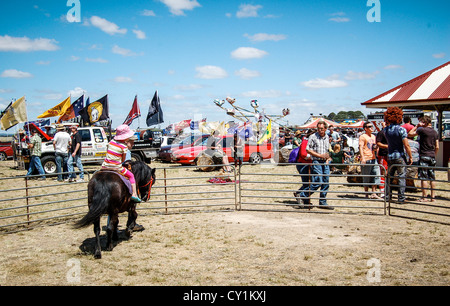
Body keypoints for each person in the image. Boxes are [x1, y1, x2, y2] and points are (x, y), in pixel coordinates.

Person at [102, 125, 142, 203]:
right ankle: (134, 194)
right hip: (117, 167)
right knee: (131, 176)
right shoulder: (124, 147)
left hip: (105, 166)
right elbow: (122, 160)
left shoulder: (111, 142)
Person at [383, 107, 413, 203]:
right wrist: (410, 156)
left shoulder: (386, 130)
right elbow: (406, 144)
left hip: (390, 155)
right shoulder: (401, 130)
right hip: (400, 155)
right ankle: (401, 198)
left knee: (389, 177)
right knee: (401, 177)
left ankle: (387, 196)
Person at [408, 115, 439, 202]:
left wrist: (417, 126)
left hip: (423, 155)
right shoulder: (435, 132)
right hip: (432, 155)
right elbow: (437, 146)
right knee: (432, 177)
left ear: (424, 122)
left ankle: (424, 196)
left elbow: (410, 134)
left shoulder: (422, 130)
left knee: (423, 176)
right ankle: (433, 197)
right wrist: (434, 155)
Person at [305, 121, 333, 209]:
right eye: (318, 128)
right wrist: (320, 155)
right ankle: (303, 194)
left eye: (322, 128)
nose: (320, 130)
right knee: (318, 180)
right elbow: (308, 150)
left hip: (324, 162)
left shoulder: (327, 137)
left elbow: (326, 149)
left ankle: (322, 202)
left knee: (326, 181)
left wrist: (328, 157)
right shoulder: (313, 137)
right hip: (316, 161)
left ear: (325, 129)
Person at [359, 122, 382, 199]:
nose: (371, 128)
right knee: (366, 176)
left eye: (372, 126)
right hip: (366, 158)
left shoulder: (374, 136)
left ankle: (374, 193)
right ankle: (366, 193)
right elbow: (361, 147)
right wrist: (363, 158)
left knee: (376, 175)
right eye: (369, 126)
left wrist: (377, 152)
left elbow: (376, 147)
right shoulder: (363, 136)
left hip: (373, 158)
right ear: (365, 128)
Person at [294, 129, 314, 208]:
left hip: (307, 164)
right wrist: (314, 157)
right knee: (307, 182)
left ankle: (302, 196)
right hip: (303, 164)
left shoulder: (309, 142)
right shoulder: (305, 142)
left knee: (308, 182)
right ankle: (302, 197)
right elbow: (303, 154)